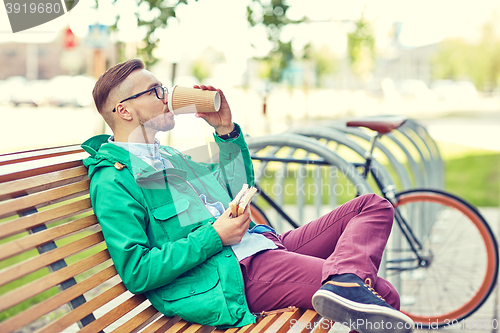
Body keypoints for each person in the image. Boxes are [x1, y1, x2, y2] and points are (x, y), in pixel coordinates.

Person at [82, 59, 414, 333]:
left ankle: (342, 281)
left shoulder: (165, 156)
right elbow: (138, 271)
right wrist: (215, 236)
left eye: (164, 89)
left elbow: (234, 187)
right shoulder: (115, 179)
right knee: (382, 295)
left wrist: (224, 129)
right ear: (124, 111)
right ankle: (345, 284)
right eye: (156, 92)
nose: (167, 97)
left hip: (261, 245)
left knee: (371, 205)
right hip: (233, 272)